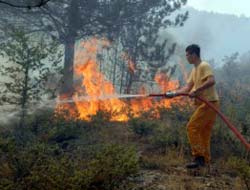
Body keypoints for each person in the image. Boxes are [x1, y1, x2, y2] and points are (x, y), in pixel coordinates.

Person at [166, 44, 219, 169]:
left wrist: (197, 90)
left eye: (187, 55)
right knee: (203, 133)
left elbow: (211, 81)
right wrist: (173, 94)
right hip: (207, 104)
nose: (186, 57)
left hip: (209, 103)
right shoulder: (195, 70)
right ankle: (205, 161)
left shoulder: (204, 66)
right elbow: (187, 88)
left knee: (192, 127)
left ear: (194, 55)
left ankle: (198, 157)